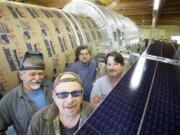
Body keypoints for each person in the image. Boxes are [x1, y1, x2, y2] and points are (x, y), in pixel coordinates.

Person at [0, 52, 53, 135]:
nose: (37, 77)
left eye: (40, 74)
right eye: (32, 74)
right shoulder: (10, 100)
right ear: (21, 75)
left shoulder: (50, 87)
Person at [27, 72, 93, 135]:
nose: (69, 100)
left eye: (75, 93)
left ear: (82, 93)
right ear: (54, 96)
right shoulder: (39, 120)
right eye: (62, 94)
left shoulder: (95, 115)